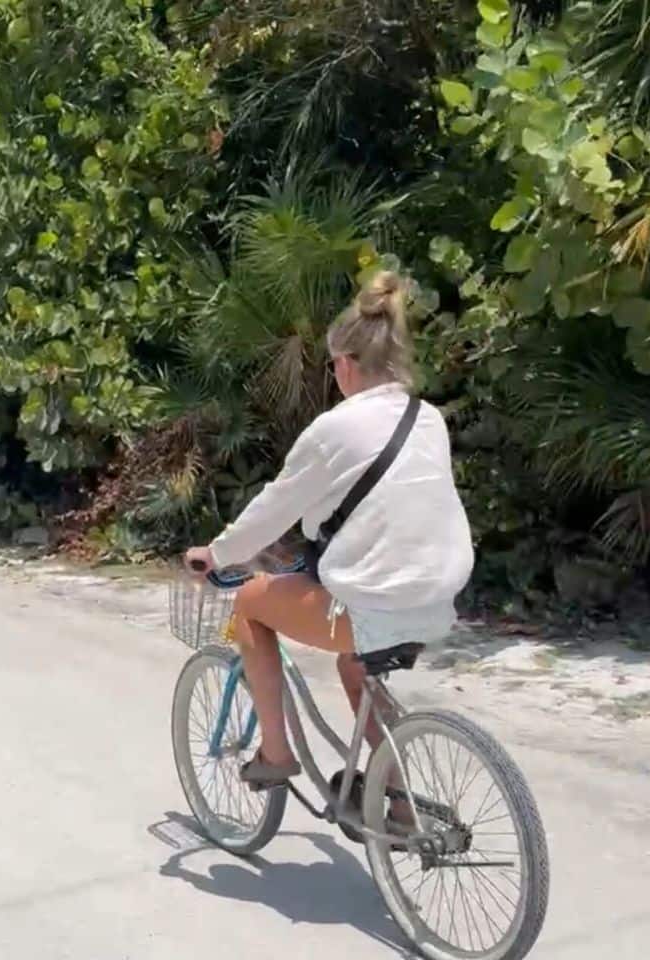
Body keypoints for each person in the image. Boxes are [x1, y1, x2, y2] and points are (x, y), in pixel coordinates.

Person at [184, 271, 474, 804]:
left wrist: (216, 553)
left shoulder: (334, 429)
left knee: (249, 603)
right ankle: (399, 801)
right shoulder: (428, 418)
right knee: (355, 665)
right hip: (438, 600)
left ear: (343, 364)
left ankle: (275, 754)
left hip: (374, 604)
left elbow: (275, 507)